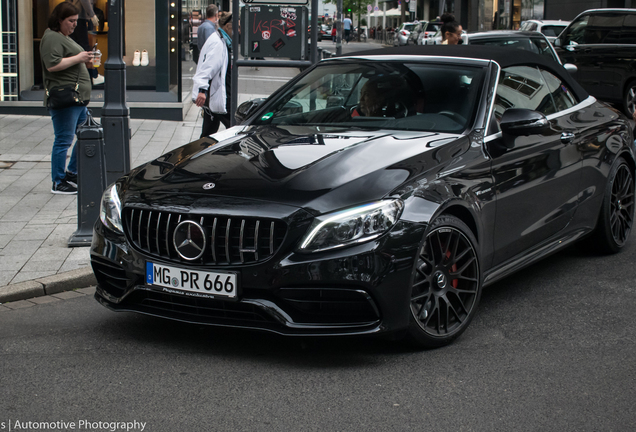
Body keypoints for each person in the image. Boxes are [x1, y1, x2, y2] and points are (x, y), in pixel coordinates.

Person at [40, 2, 93, 194]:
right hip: (65, 98)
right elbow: (52, 65)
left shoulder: (62, 37)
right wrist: (79, 58)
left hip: (76, 99)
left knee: (84, 134)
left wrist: (84, 59)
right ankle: (58, 181)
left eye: (76, 21)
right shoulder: (52, 37)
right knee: (63, 140)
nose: (74, 25)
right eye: (71, 21)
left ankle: (72, 172)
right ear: (59, 20)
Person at [192, 12, 233, 138]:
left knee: (208, 131)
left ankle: (199, 154)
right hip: (218, 94)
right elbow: (208, 67)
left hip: (215, 93)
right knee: (235, 128)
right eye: (236, 27)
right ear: (227, 26)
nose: (239, 31)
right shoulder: (218, 43)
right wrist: (202, 90)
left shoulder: (221, 39)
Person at [67, 0, 100, 83]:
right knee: (85, 45)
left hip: (76, 14)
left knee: (77, 45)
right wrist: (92, 15)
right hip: (80, 16)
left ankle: (82, 75)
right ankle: (93, 75)